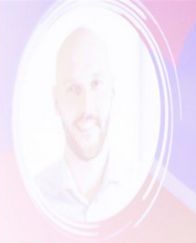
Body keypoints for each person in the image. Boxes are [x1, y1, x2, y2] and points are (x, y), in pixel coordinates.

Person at [35, 27, 137, 222]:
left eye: (96, 84)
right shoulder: (34, 194)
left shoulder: (137, 189)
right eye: (73, 88)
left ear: (112, 91)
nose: (86, 108)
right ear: (56, 100)